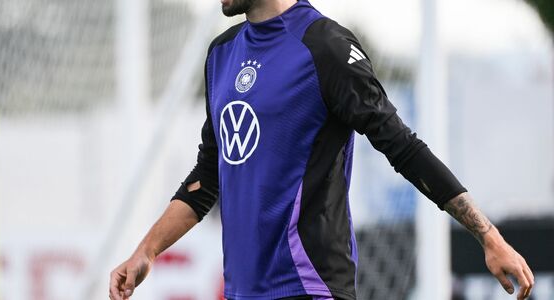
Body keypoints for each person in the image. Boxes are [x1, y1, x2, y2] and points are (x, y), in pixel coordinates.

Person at [108, 1, 534, 299]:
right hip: (241, 291)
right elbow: (207, 178)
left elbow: (402, 146)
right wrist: (145, 251)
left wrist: (488, 235)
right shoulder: (221, 54)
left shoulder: (325, 46)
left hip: (308, 285)